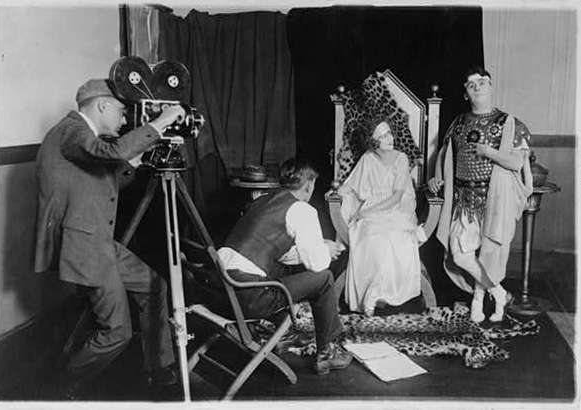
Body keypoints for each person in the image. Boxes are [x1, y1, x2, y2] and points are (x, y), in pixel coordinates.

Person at [33, 78, 186, 398]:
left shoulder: (83, 140)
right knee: (117, 331)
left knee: (154, 284)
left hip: (96, 240)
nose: (124, 119)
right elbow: (110, 152)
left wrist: (136, 161)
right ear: (101, 105)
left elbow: (104, 189)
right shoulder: (72, 131)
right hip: (84, 246)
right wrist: (158, 124)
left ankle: (159, 369)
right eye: (120, 111)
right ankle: (62, 388)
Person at [217, 158, 352, 375]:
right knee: (325, 278)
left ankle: (284, 334)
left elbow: (276, 251)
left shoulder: (263, 199)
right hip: (249, 296)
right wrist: (326, 249)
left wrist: (317, 246)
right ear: (309, 185)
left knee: (281, 267)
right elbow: (317, 265)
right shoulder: (302, 210)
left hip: (222, 287)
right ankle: (327, 353)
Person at [428, 66, 533, 323]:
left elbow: (517, 163)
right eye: (471, 83)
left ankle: (478, 300)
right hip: (463, 198)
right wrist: (437, 176)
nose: (477, 86)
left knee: (489, 254)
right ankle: (498, 292)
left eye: (482, 81)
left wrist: (490, 153)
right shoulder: (459, 123)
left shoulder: (510, 123)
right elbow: (445, 153)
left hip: (494, 199)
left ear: (491, 86)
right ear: (465, 93)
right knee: (459, 253)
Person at [339, 121, 423, 316]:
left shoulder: (401, 158)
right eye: (383, 136)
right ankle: (371, 294)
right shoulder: (367, 159)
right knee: (370, 236)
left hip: (396, 210)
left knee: (390, 239)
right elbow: (350, 186)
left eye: (389, 134)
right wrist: (335, 194)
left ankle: (377, 293)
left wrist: (366, 213)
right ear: (373, 141)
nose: (390, 139)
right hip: (371, 209)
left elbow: (396, 198)